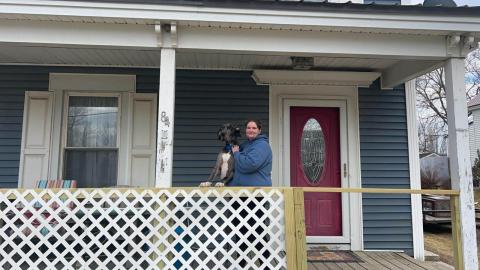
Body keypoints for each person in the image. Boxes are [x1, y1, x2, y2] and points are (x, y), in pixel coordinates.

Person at [230, 119, 272, 186]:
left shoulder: (262, 145)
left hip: (256, 192)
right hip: (239, 191)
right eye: (248, 128)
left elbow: (250, 164)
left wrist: (236, 153)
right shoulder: (245, 145)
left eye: (254, 128)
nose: (251, 130)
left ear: (259, 130)